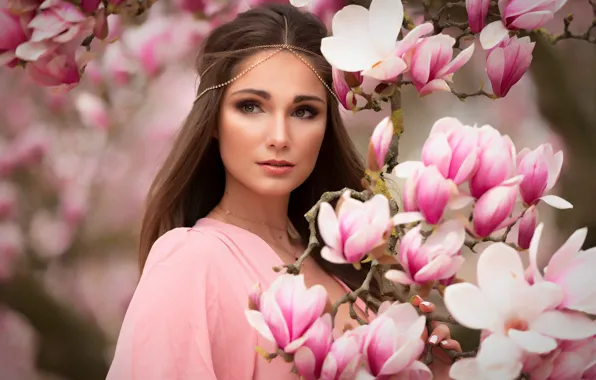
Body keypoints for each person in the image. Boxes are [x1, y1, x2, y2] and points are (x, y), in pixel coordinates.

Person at [106, 3, 460, 379]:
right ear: (213, 121)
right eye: (251, 107)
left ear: (326, 127)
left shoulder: (349, 269)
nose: (279, 137)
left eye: (304, 111)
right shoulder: (191, 261)